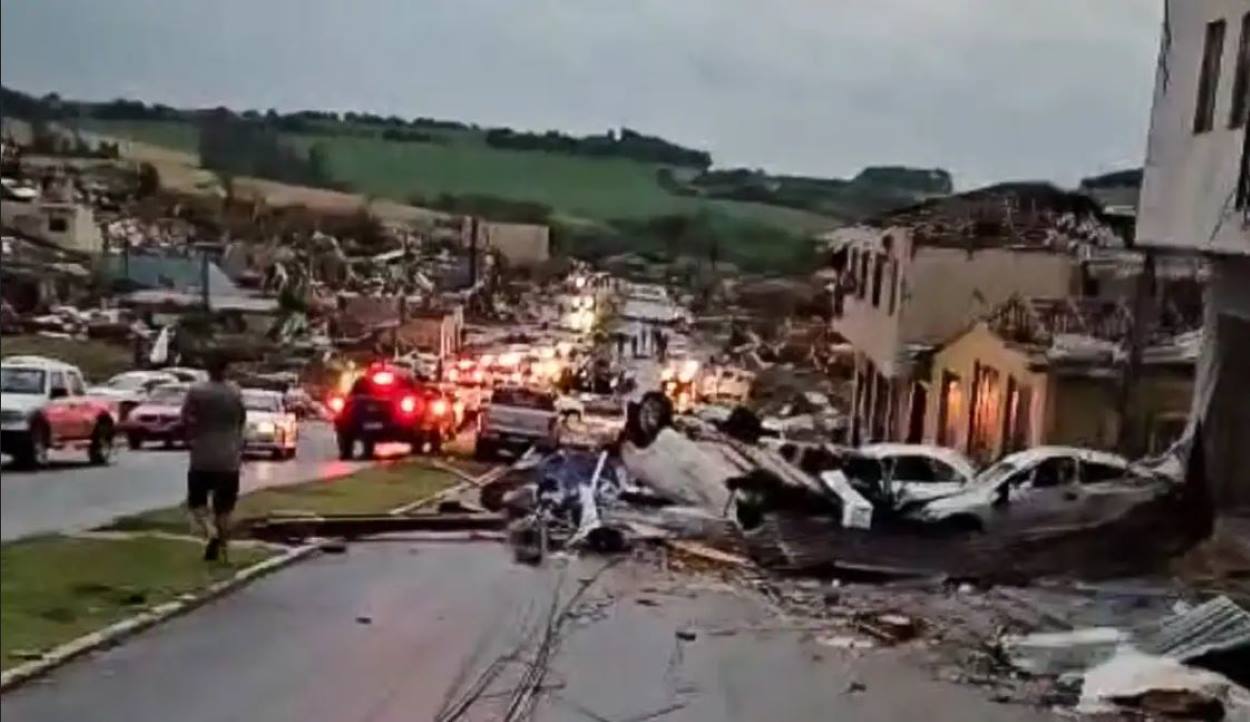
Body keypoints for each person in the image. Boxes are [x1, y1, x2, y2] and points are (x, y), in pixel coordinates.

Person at [181, 354, 246, 561]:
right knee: (224, 509)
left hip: (202, 455)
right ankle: (225, 552)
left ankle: (211, 532)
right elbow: (241, 419)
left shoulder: (196, 391)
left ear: (208, 370)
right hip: (229, 458)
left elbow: (185, 419)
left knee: (196, 503)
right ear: (227, 369)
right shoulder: (235, 392)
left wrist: (191, 437)